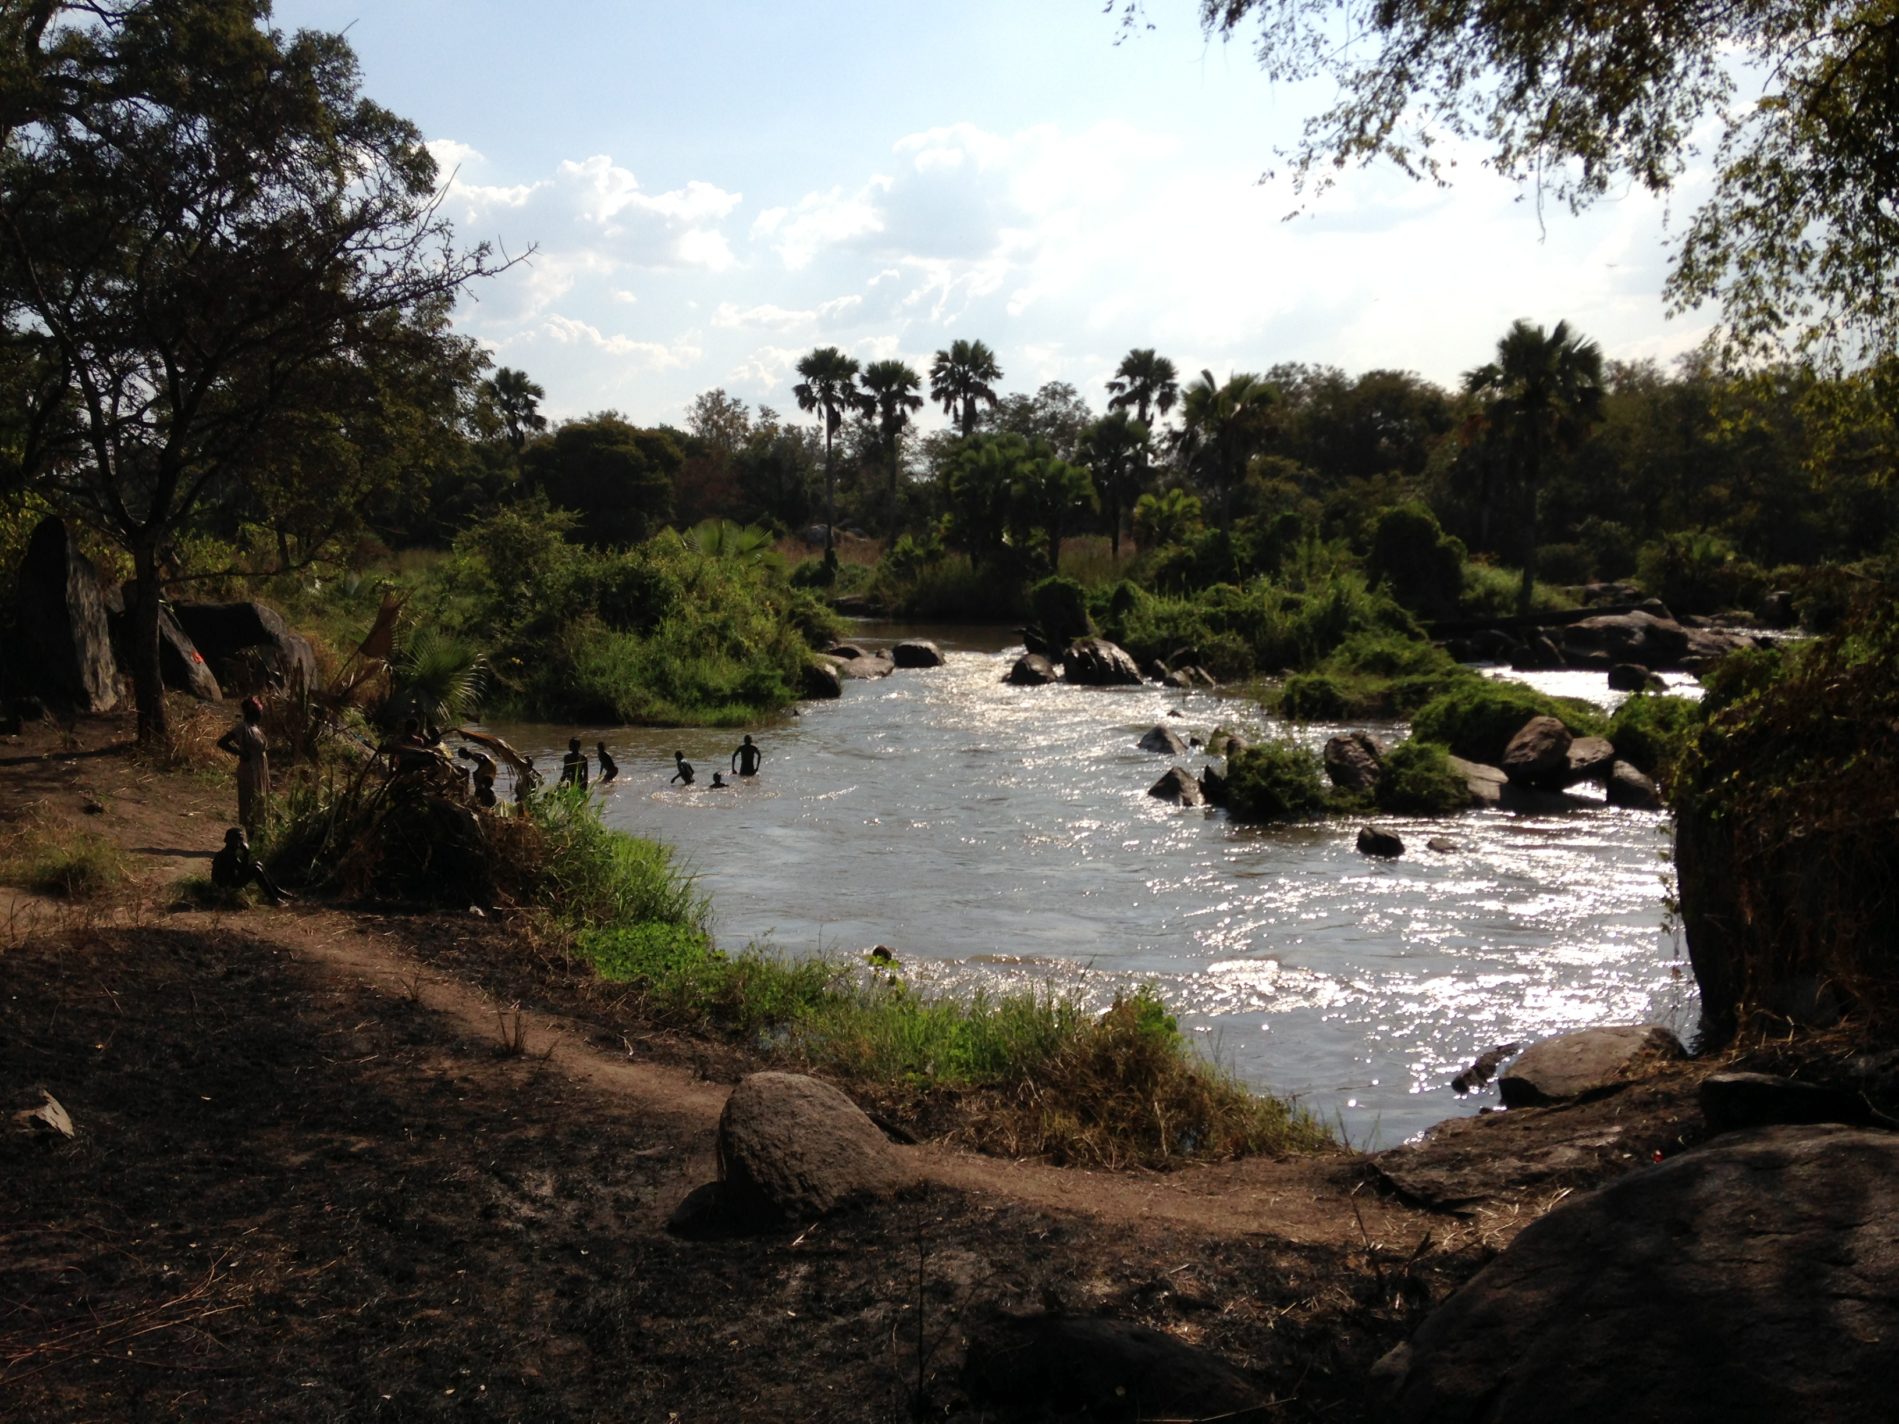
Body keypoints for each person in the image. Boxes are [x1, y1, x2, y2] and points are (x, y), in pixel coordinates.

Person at [216, 696, 270, 837]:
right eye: (259, 711)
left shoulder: (255, 728)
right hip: (249, 769)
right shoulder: (243, 728)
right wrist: (240, 753)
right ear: (252, 712)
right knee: (250, 802)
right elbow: (222, 742)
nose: (261, 714)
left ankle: (259, 835)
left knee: (260, 802)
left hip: (260, 768)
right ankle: (251, 836)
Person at [211, 827, 292, 905]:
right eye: (239, 839)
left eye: (241, 839)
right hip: (226, 885)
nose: (241, 842)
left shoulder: (229, 852)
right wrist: (246, 853)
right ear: (230, 840)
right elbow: (242, 870)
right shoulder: (228, 854)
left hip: (229, 881)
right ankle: (274, 898)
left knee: (257, 864)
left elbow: (241, 869)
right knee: (256, 869)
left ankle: (277, 891)